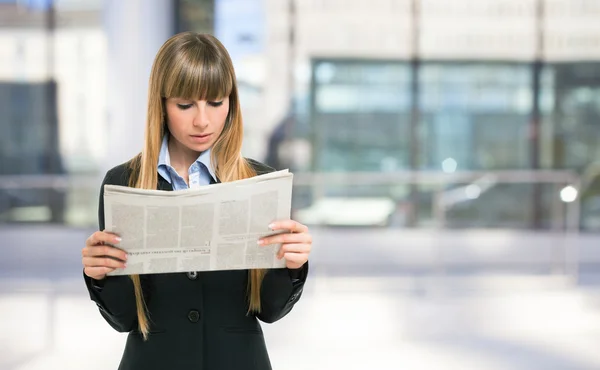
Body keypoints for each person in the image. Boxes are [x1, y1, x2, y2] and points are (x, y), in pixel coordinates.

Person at [81, 32, 312, 370]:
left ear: (231, 102)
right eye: (185, 105)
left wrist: (293, 266)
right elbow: (125, 319)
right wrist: (99, 275)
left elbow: (271, 311)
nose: (202, 121)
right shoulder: (123, 183)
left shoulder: (260, 182)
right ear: (161, 104)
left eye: (216, 103)